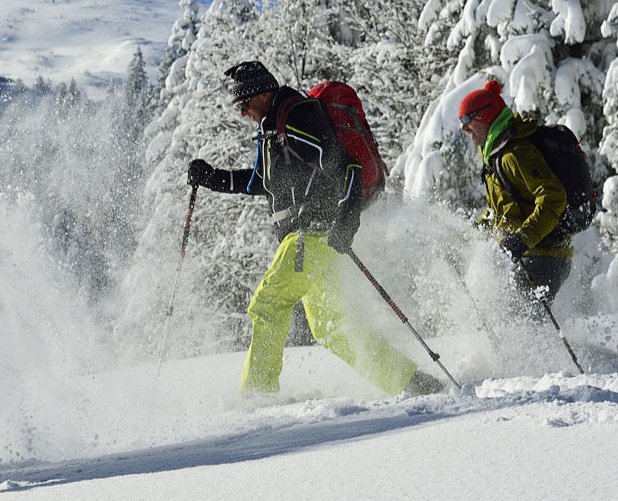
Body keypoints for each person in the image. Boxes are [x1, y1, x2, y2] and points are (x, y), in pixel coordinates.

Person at [188, 61, 441, 397]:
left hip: (312, 235)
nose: (241, 112)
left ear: (263, 94)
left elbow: (346, 168)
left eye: (243, 103)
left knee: (267, 304)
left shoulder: (296, 118)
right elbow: (259, 183)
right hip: (313, 241)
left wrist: (346, 221)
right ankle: (416, 384)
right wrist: (211, 177)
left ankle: (256, 397)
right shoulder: (271, 129)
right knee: (333, 329)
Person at [456, 79, 572, 300]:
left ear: (485, 116)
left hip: (545, 255)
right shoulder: (497, 157)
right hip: (533, 255)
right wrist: (465, 240)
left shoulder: (515, 154)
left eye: (467, 119)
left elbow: (554, 198)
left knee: (517, 322)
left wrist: (523, 238)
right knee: (510, 317)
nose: (463, 127)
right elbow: (500, 212)